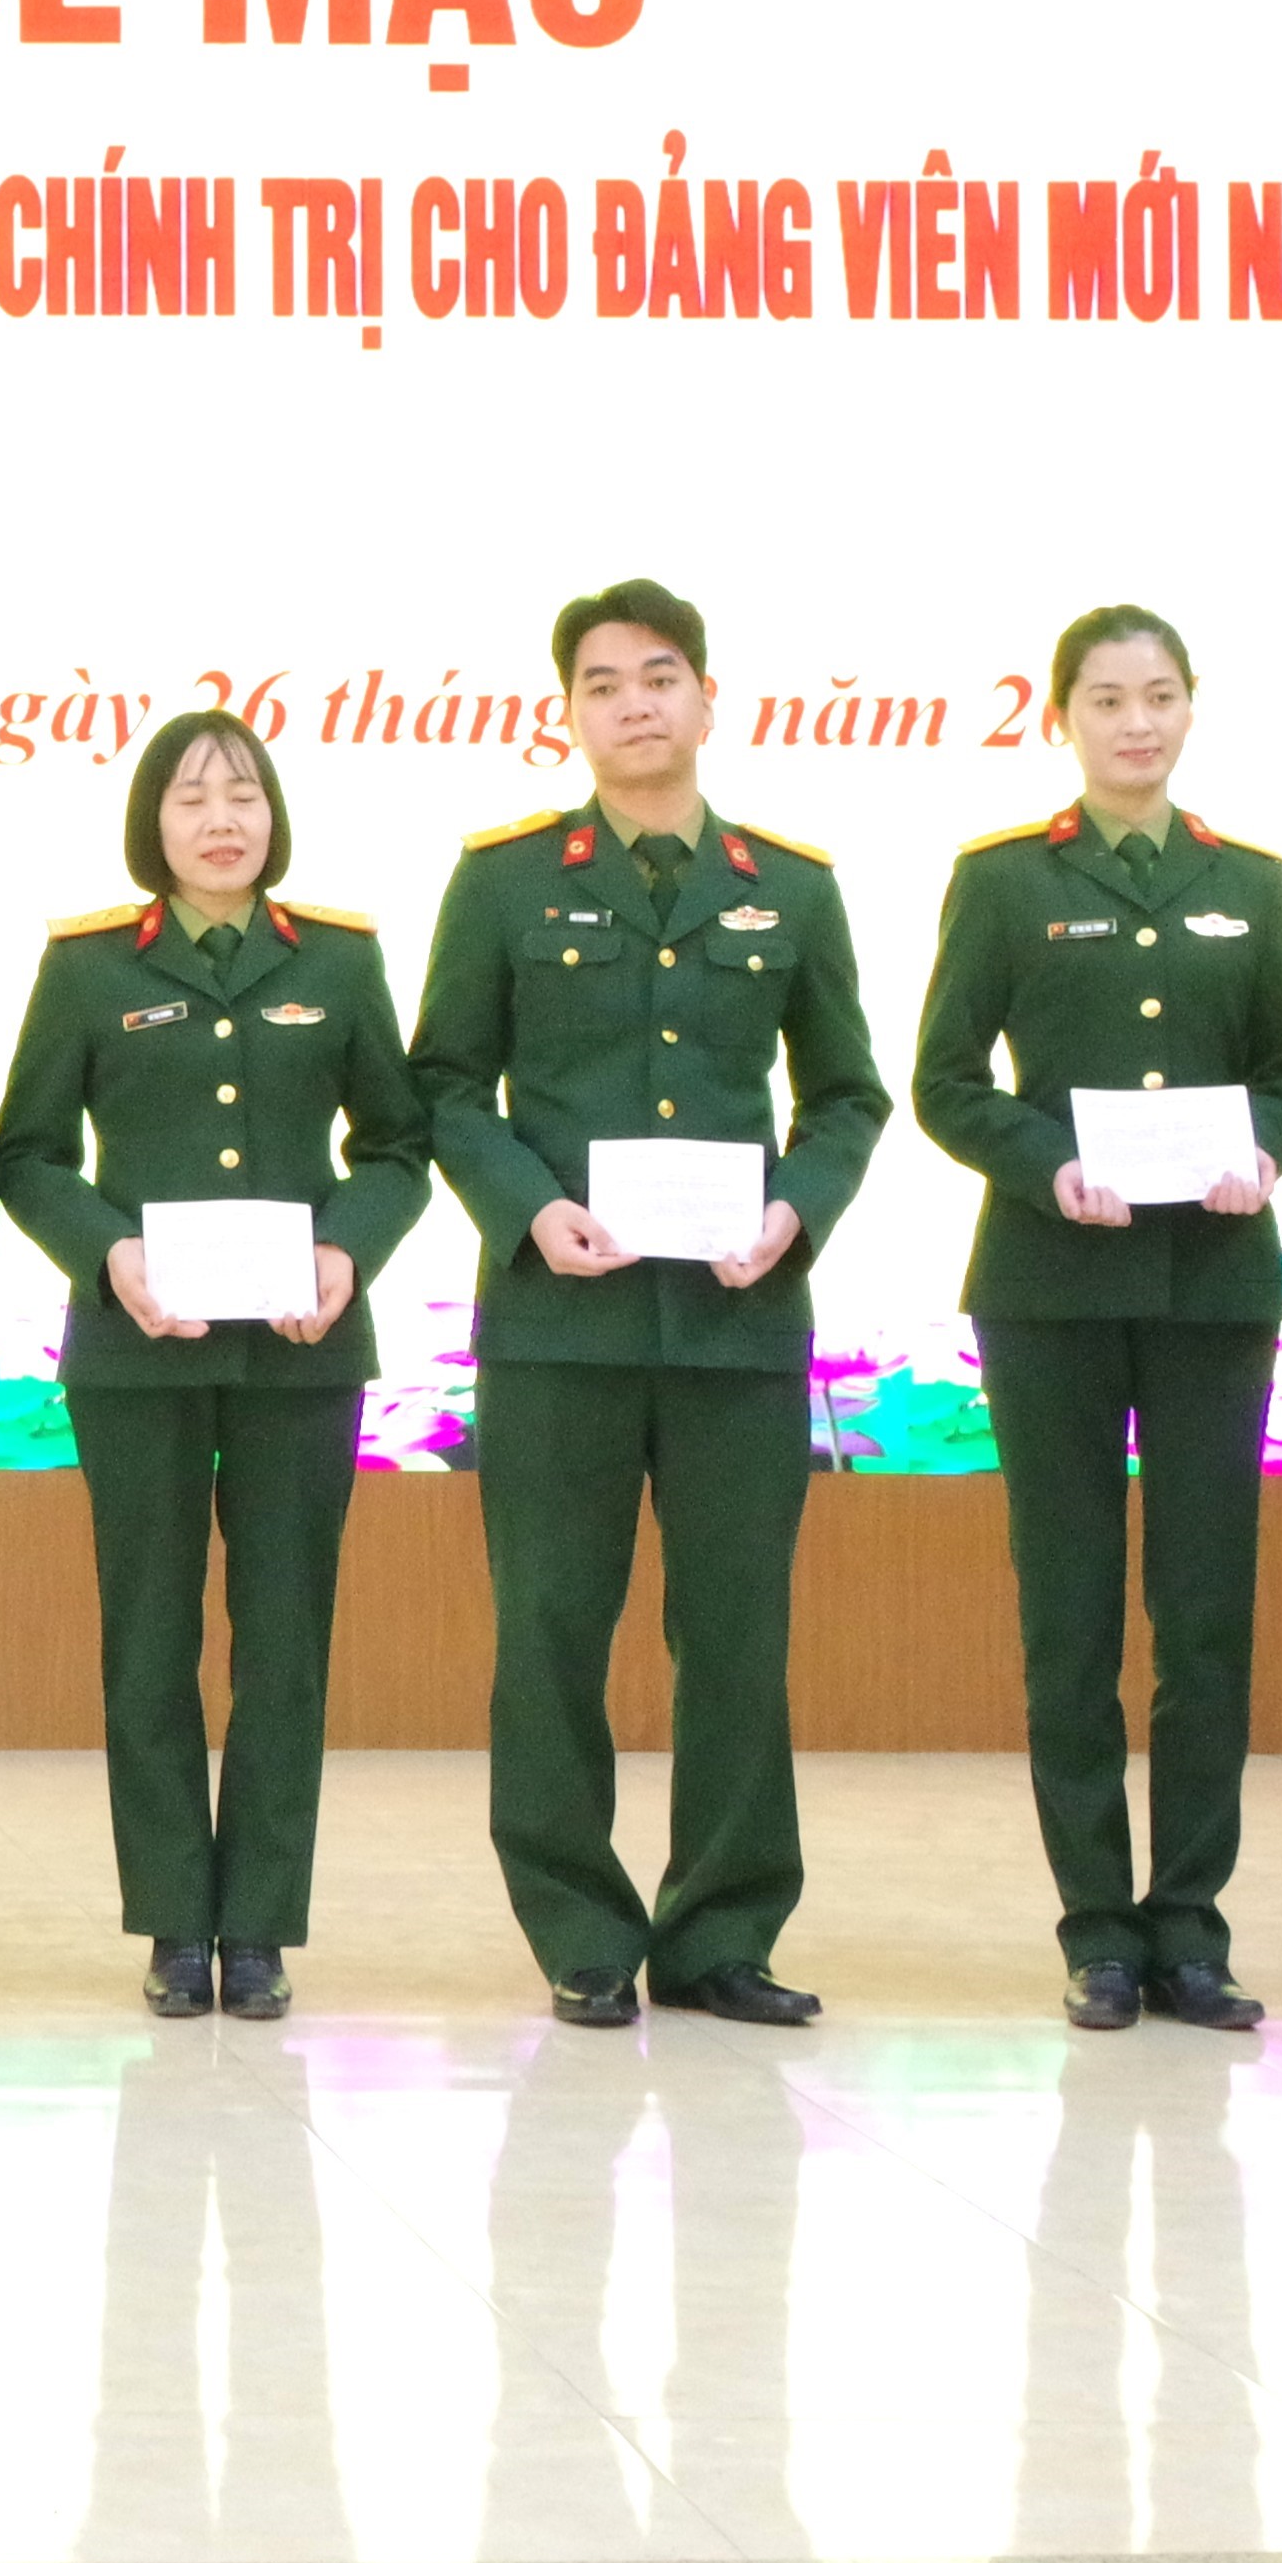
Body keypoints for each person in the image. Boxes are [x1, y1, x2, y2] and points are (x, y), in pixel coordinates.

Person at [410, 578, 887, 2028]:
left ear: (707, 698)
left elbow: (848, 1093)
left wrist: (797, 1208)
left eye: (660, 675)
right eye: (604, 682)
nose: (635, 702)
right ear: (568, 712)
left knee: (735, 1638)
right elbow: (445, 1083)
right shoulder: (506, 880)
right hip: (560, 1323)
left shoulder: (789, 885)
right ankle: (578, 1928)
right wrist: (526, 1207)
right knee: (551, 1629)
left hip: (739, 1324)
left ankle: (722, 1931)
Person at [911, 604, 1282, 2032]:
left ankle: (1191, 1929)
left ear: (1191, 706)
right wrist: (1048, 1166)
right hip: (1052, 1287)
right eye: (1105, 698)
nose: (1134, 722)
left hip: (1215, 1287)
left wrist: (1264, 1149)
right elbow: (946, 1078)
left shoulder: (1248, 883)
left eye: (1157, 695)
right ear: (1061, 717)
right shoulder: (1004, 881)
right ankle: (1096, 1926)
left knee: (1205, 1620)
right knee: (1070, 1619)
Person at [0, 709, 428, 2021]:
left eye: (241, 793)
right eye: (189, 797)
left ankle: (263, 1924)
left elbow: (397, 1145)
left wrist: (347, 1249)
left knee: (285, 1642)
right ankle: (176, 1921)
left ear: (273, 814)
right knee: (150, 1639)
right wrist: (107, 1253)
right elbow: (27, 1153)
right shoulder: (86, 965)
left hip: (302, 1349)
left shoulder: (338, 959)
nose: (219, 818)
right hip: (140, 1351)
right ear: (154, 822)